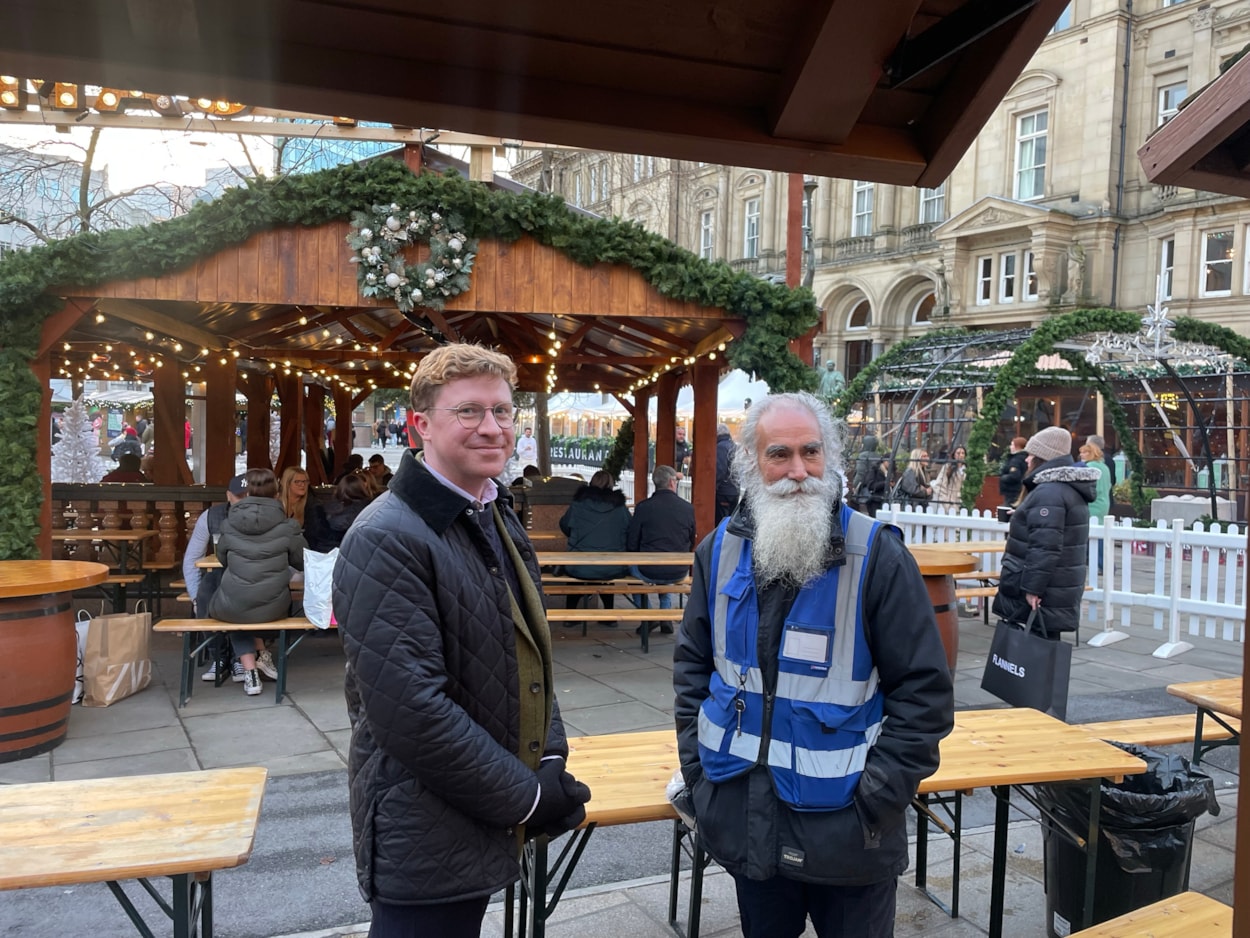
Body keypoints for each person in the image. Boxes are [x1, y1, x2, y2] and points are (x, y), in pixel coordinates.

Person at [673, 392, 954, 938]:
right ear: (751, 465)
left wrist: (876, 800)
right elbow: (692, 669)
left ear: (831, 458)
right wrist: (700, 778)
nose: (799, 471)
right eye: (780, 454)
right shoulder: (717, 551)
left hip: (849, 835)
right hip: (746, 816)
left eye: (811, 452)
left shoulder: (877, 556)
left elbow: (925, 695)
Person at [334, 343, 591, 936]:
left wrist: (549, 756)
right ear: (420, 424)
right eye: (469, 411)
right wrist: (526, 798)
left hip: (483, 806)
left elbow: (529, 652)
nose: (491, 427)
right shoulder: (388, 536)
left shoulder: (490, 511)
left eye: (502, 412)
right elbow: (411, 712)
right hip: (424, 826)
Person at [208, 468, 307, 696]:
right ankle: (261, 655)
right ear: (276, 493)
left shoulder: (228, 525)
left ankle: (248, 667)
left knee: (230, 599)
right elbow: (302, 561)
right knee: (248, 602)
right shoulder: (288, 527)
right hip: (275, 607)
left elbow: (222, 560)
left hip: (234, 607)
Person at [992, 426, 1097, 639]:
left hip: (1045, 589)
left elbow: (1045, 547)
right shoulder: (1063, 488)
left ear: (1044, 459)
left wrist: (1033, 589)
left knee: (1036, 651)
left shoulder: (1049, 492)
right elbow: (1051, 531)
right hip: (1058, 584)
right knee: (1045, 649)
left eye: (1032, 455)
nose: (1027, 460)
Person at [184, 474, 248, 684]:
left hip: (251, 578)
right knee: (205, 592)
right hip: (220, 575)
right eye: (240, 496)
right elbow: (192, 558)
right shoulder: (211, 516)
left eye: (250, 495)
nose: (245, 500)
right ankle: (218, 656)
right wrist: (194, 597)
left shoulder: (264, 516)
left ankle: (242, 657)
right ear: (229, 496)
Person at [627, 465, 695, 635]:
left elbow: (632, 541)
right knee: (665, 575)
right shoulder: (687, 508)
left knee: (630, 575)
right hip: (679, 569)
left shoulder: (643, 507)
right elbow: (691, 539)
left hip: (648, 568)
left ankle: (650, 616)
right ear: (672, 483)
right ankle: (664, 618)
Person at [559, 469, 632, 612]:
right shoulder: (619, 507)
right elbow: (630, 528)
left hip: (579, 565)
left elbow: (564, 525)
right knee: (606, 570)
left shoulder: (578, 504)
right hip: (613, 566)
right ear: (611, 485)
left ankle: (570, 615)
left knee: (577, 573)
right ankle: (609, 614)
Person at [307, 472, 375, 552]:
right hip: (352, 552)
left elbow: (313, 534)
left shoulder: (323, 508)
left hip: (323, 551)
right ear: (361, 489)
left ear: (340, 489)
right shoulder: (368, 509)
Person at [1079, 433, 1112, 574]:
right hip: (1103, 503)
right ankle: (1104, 563)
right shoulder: (1104, 467)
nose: (1081, 455)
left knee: (1093, 535)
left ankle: (1101, 564)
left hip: (1092, 504)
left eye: (1085, 452)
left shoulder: (1089, 467)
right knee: (1100, 535)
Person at [715, 423, 739, 524]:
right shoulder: (734, 446)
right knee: (730, 522)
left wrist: (714, 486)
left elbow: (720, 470)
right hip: (734, 490)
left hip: (723, 492)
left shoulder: (720, 447)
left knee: (721, 523)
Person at [930, 445, 967, 509]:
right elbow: (939, 485)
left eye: (963, 453)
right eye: (958, 453)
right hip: (950, 500)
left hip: (964, 501)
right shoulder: (947, 467)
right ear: (954, 455)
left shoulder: (967, 469)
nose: (960, 455)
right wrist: (945, 501)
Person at [999, 436, 1029, 506]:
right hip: (1022, 490)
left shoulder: (1016, 460)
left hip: (1012, 491)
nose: (1010, 447)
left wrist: (1002, 477)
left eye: (1012, 445)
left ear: (1017, 446)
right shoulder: (1026, 457)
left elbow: (1014, 476)